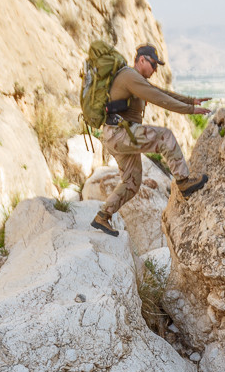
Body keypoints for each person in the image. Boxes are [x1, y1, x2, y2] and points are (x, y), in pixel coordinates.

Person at [90, 44, 212, 237]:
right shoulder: (130, 76)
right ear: (141, 60)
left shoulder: (135, 78)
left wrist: (190, 100)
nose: (155, 70)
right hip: (120, 134)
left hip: (118, 135)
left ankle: (103, 216)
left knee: (132, 182)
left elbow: (160, 92)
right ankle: (183, 182)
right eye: (153, 64)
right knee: (165, 136)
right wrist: (190, 110)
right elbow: (158, 98)